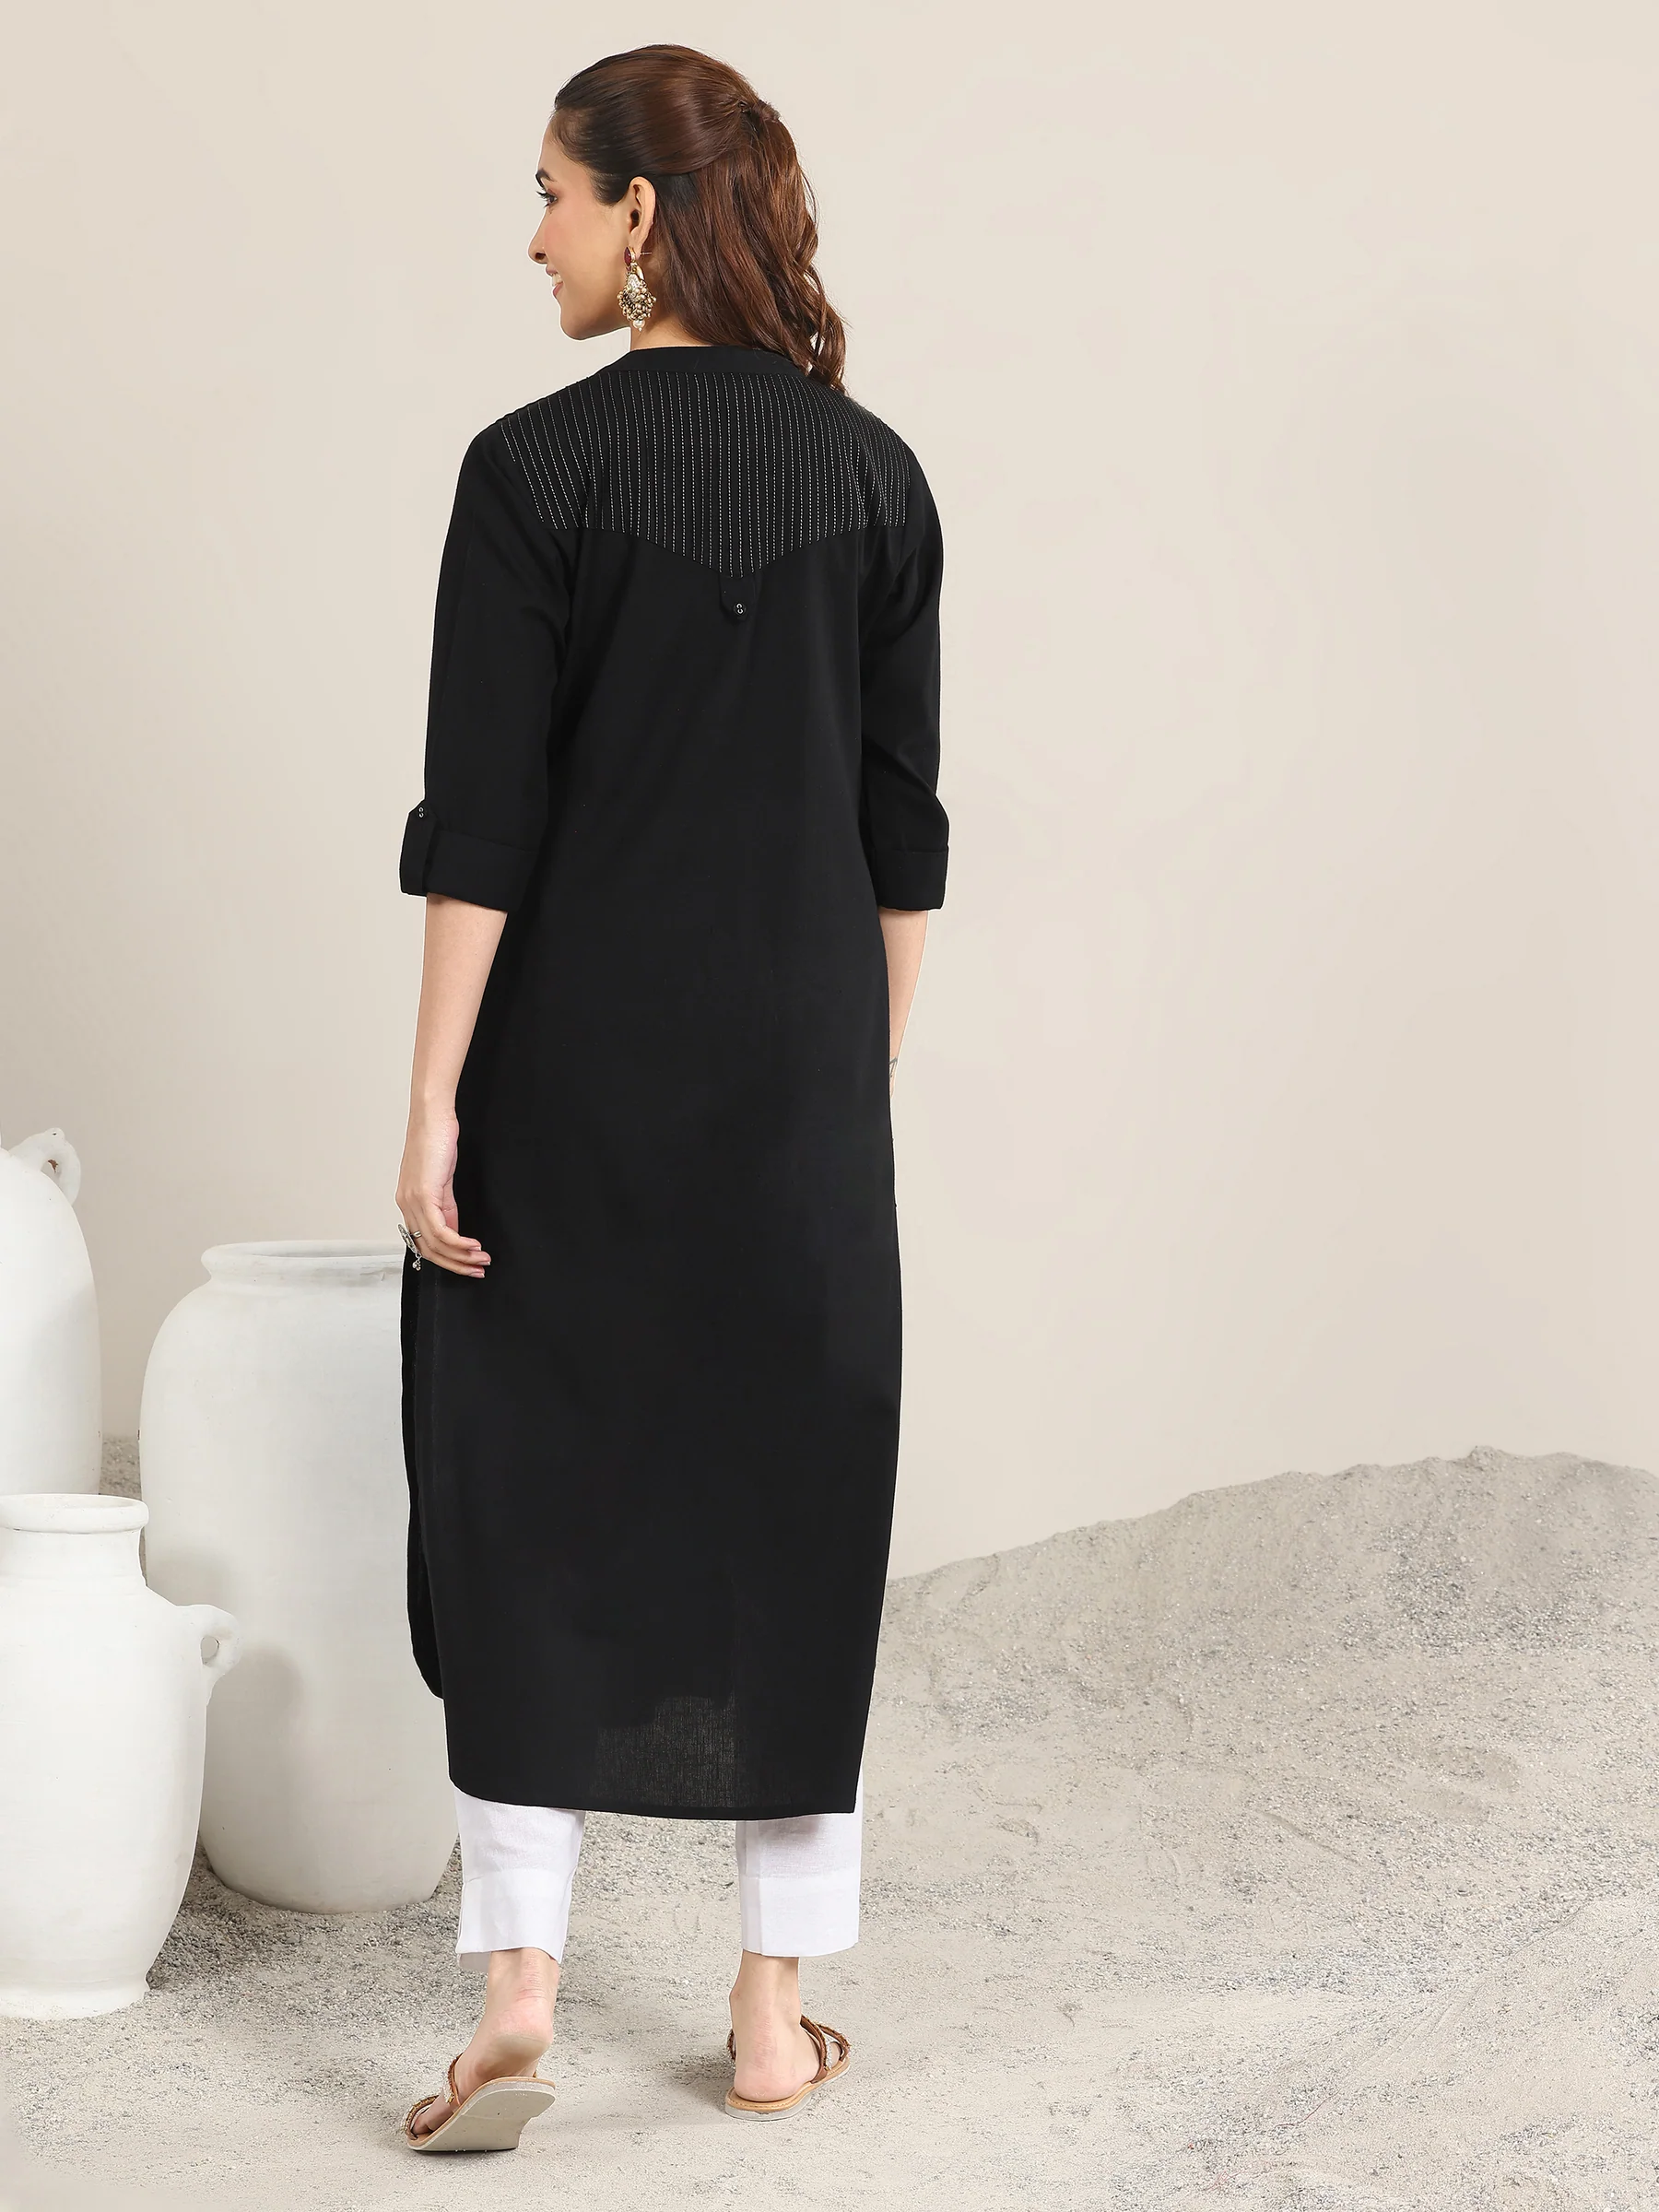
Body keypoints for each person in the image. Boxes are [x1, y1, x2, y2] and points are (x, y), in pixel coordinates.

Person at [394, 41, 947, 2150]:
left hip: (571, 1078)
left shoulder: (528, 473)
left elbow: (482, 827)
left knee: (528, 1485)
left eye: (550, 190)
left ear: (640, 213)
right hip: (797, 1087)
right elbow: (903, 839)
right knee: (798, 1501)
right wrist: (848, 1090)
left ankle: (522, 1986)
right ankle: (771, 2019)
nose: (530, 233)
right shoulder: (877, 480)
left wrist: (434, 1102)